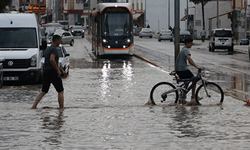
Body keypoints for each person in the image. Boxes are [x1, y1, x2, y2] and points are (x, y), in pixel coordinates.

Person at [31, 35, 67, 109]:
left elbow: (51, 63)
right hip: (53, 73)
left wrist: (61, 70)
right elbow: (52, 59)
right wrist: (57, 70)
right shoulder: (54, 49)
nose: (60, 42)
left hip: (46, 72)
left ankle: (34, 106)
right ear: (56, 41)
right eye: (60, 41)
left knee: (43, 91)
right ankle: (61, 108)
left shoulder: (48, 49)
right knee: (60, 91)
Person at [175, 37, 202, 104]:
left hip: (180, 69)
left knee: (187, 82)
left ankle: (182, 98)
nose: (191, 45)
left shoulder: (183, 49)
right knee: (194, 79)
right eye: (191, 43)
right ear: (187, 43)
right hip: (182, 69)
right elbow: (189, 60)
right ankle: (193, 96)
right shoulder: (186, 50)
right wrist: (197, 67)